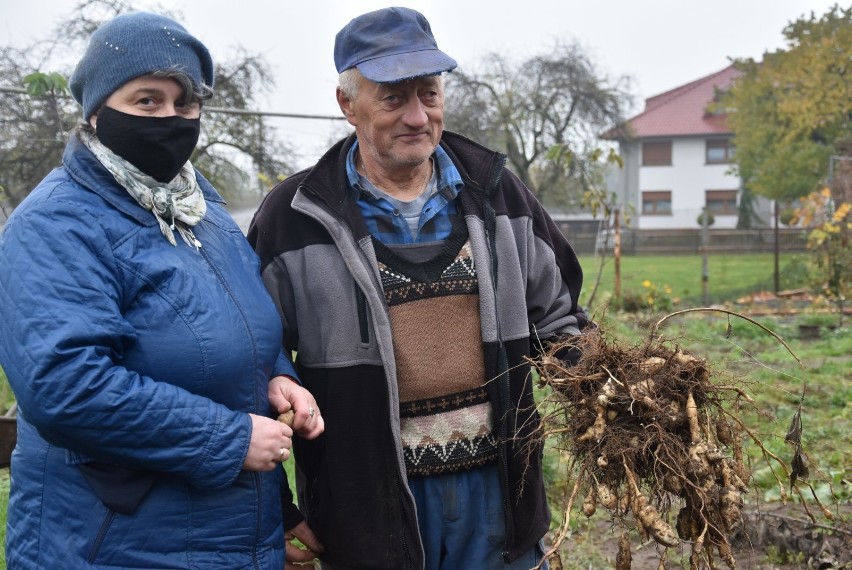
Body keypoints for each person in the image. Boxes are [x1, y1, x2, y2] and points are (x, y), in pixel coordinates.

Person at [250, 6, 590, 569]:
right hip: (367, 513)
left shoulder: (498, 195)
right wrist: (277, 511)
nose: (417, 116)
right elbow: (255, 362)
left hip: (499, 503)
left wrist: (623, 396)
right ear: (347, 105)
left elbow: (560, 319)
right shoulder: (295, 218)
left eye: (428, 94)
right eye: (392, 98)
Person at [0, 11, 324, 569]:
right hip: (114, 543)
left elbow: (242, 324)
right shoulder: (56, 224)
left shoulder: (204, 210)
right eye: (147, 100)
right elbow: (65, 387)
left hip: (230, 534)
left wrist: (277, 376)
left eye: (185, 101)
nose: (170, 118)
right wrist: (227, 439)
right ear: (98, 111)